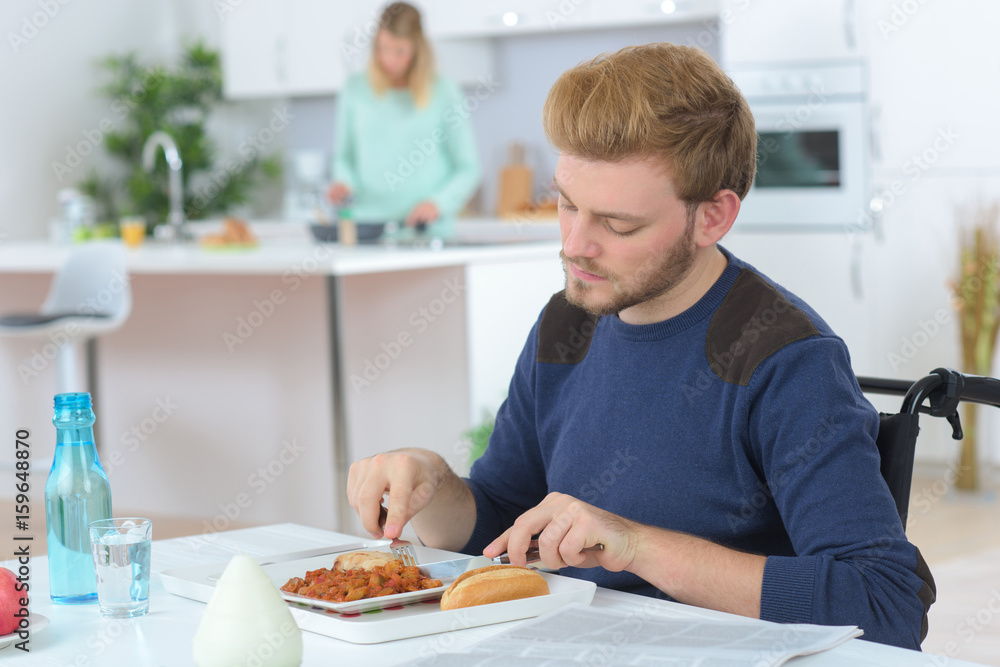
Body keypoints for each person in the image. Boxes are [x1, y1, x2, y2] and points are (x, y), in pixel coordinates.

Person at [346, 43, 935, 650]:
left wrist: (637, 547)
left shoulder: (786, 360)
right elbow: (500, 523)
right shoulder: (566, 323)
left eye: (618, 225)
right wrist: (435, 487)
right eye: (566, 204)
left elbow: (886, 603)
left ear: (712, 218)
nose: (575, 245)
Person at [328, 2, 480, 236]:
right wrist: (343, 184)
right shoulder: (354, 89)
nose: (389, 59)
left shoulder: (444, 91)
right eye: (383, 48)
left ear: (417, 49)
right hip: (368, 231)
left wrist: (438, 203)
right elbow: (343, 157)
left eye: (399, 51)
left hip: (426, 231)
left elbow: (468, 167)